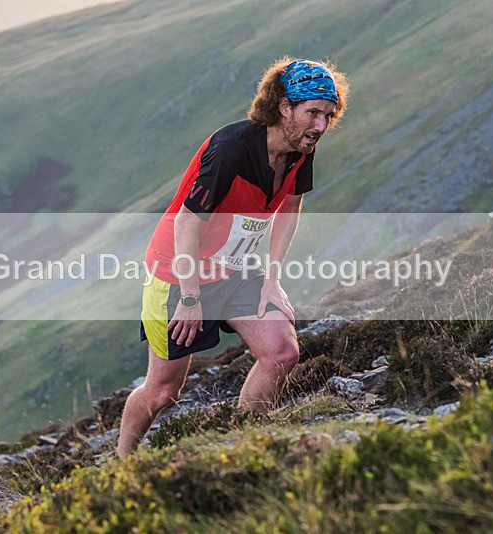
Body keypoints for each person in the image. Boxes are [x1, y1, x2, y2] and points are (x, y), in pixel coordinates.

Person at [117, 57, 349, 457]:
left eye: (328, 116)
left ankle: (243, 445)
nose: (320, 127)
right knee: (164, 392)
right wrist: (190, 297)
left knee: (282, 352)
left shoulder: (301, 148)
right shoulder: (231, 148)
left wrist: (272, 281)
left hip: (234, 267)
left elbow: (290, 207)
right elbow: (188, 220)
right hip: (178, 273)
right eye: (312, 113)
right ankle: (121, 461)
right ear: (283, 106)